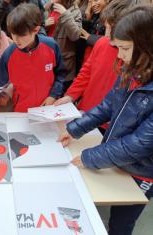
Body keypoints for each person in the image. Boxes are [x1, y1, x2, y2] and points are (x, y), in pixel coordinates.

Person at [58, 4, 153, 235]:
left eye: (124, 48)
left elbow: (139, 144)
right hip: (115, 158)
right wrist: (74, 128)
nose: (119, 55)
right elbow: (107, 106)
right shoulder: (130, 68)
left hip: (142, 171)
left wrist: (91, 157)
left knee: (121, 224)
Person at [54, 0, 135, 133]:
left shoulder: (131, 56)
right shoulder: (102, 43)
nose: (107, 33)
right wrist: (70, 96)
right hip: (86, 111)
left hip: (110, 121)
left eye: (111, 29)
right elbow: (86, 72)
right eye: (106, 27)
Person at [0, 3, 66, 113]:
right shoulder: (9, 55)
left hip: (49, 108)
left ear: (36, 29)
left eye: (21, 35)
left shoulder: (51, 46)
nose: (16, 39)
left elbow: (61, 74)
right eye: (13, 34)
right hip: (22, 110)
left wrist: (53, 95)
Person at [45, 0, 82, 89]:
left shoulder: (75, 11)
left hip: (63, 65)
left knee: (59, 96)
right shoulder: (49, 7)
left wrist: (65, 14)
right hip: (46, 60)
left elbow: (75, 35)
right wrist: (44, 24)